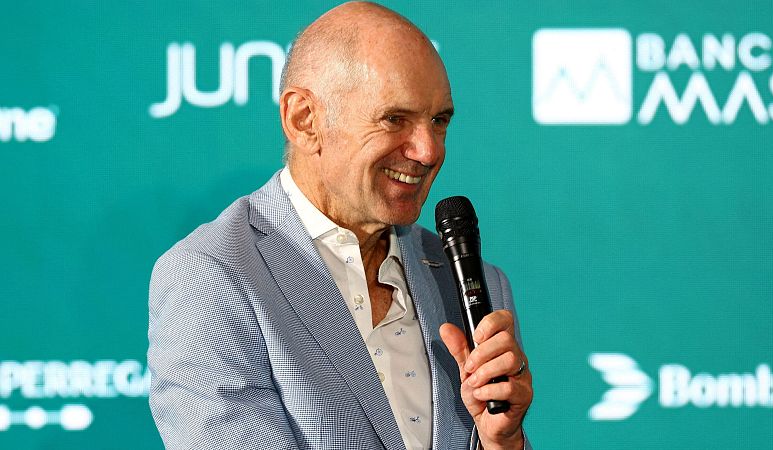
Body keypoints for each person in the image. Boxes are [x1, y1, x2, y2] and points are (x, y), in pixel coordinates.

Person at [147, 2, 533, 449]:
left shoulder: (473, 285)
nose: (428, 151)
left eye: (438, 121)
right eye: (395, 119)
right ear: (304, 120)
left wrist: (503, 442)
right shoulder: (211, 276)